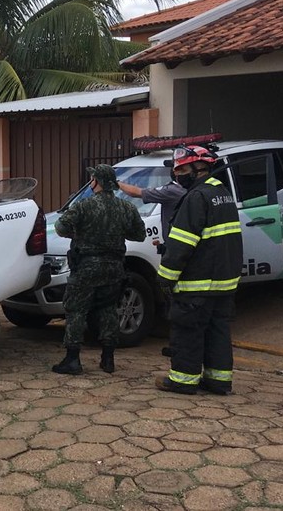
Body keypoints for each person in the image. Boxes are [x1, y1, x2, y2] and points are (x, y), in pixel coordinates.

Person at [155, 145, 243, 396]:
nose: (177, 174)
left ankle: (183, 380)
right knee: (218, 333)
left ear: (198, 168)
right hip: (223, 284)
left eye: (181, 169)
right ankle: (218, 381)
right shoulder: (223, 193)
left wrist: (165, 277)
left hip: (197, 283)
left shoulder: (196, 198)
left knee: (188, 331)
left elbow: (182, 244)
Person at [52, 164, 146, 375]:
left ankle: (73, 359)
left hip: (86, 267)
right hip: (114, 267)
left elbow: (60, 228)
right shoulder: (127, 208)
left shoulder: (84, 206)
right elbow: (139, 235)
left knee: (76, 310)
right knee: (108, 309)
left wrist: (78, 234)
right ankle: (108, 358)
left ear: (96, 181)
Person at [117, 175, 186, 254]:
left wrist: (117, 183)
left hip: (176, 247)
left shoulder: (173, 191)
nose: (176, 172)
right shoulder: (191, 188)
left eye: (181, 170)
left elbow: (137, 193)